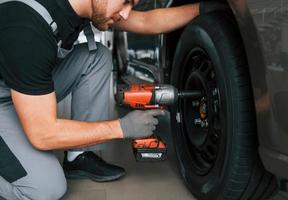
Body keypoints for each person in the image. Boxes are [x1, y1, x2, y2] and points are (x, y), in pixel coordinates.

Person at [0, 0, 201, 199]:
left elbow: (146, 22)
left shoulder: (86, 8)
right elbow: (43, 134)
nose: (125, 14)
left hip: (18, 87)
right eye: (126, 2)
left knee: (96, 57)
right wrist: (122, 127)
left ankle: (78, 157)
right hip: (4, 101)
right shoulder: (27, 26)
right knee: (45, 189)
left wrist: (203, 8)